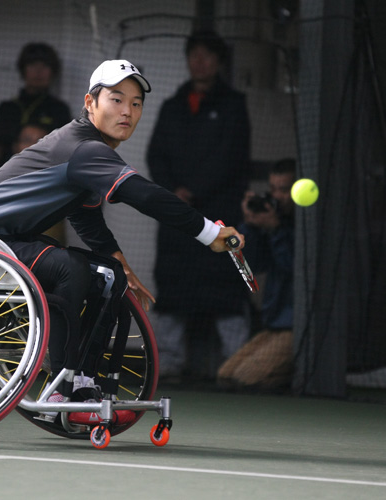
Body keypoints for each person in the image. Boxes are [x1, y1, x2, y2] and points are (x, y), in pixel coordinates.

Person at [0, 59, 245, 409]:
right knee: (69, 268)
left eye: (136, 104)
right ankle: (63, 382)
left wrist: (121, 266)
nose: (127, 112)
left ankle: (83, 382)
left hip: (10, 242)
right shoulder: (84, 148)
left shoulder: (89, 151)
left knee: (108, 276)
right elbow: (146, 195)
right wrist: (210, 232)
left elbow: (86, 217)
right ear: (90, 103)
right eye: (116, 100)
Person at [146, 29, 251, 381]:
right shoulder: (172, 106)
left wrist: (195, 189)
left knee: (225, 288)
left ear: (219, 61)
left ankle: (237, 368)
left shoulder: (234, 104)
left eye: (207, 54)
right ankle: (170, 364)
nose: (200, 61)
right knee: (174, 288)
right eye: (194, 54)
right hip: (178, 217)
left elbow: (231, 158)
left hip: (220, 214)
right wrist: (173, 190)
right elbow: (156, 155)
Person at [217, 159, 296, 391]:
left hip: (298, 327)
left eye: (284, 190)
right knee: (226, 375)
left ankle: (298, 379)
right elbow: (254, 266)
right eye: (273, 189)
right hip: (273, 325)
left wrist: (276, 230)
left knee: (246, 378)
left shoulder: (305, 226)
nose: (276, 196)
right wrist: (251, 225)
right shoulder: (274, 223)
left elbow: (291, 267)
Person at [0, 42, 71, 171]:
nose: (38, 71)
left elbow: (67, 152)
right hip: (5, 178)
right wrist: (15, 149)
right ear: (23, 69)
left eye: (45, 66)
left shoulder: (59, 110)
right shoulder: (6, 108)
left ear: (53, 72)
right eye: (32, 65)